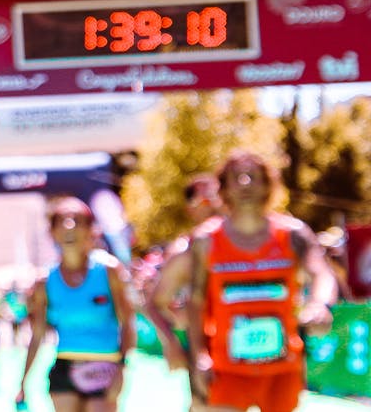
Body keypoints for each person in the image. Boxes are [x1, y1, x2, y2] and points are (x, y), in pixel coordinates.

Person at [185, 150, 337, 412]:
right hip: (226, 370)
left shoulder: (293, 234)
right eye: (237, 178)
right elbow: (195, 301)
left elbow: (322, 273)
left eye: (253, 177)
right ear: (225, 189)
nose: (245, 184)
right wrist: (198, 355)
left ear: (268, 185)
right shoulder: (205, 240)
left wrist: (319, 305)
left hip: (282, 370)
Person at [17, 197, 134, 412]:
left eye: (77, 220)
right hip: (64, 367)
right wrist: (23, 381)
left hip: (105, 367)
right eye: (61, 220)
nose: (69, 226)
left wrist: (122, 368)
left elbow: (127, 322)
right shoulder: (44, 281)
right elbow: (38, 334)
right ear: (52, 232)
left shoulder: (109, 271)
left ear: (92, 230)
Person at [147, 172, 224, 385]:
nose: (214, 205)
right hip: (205, 349)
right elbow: (156, 303)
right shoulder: (185, 250)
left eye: (218, 196)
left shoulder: (245, 241)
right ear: (190, 209)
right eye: (204, 200)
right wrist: (171, 341)